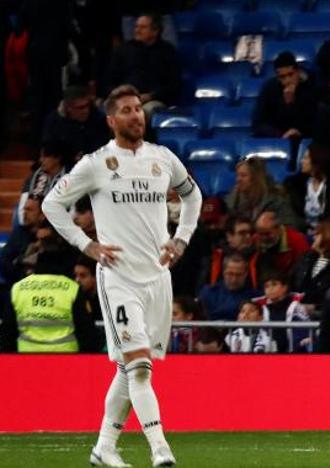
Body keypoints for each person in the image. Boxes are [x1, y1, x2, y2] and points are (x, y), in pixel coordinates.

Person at [41, 84, 202, 466]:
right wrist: (87, 245)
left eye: (139, 109)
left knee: (127, 369)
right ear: (112, 120)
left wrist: (180, 239)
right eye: (127, 110)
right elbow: (52, 204)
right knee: (140, 368)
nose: (136, 115)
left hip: (158, 278)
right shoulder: (96, 163)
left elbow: (193, 196)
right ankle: (160, 450)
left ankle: (105, 448)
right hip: (119, 278)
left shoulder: (163, 158)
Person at [0, 251, 103, 353]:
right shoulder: (72, 288)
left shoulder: (18, 289)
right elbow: (86, 332)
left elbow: (8, 332)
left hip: (26, 358)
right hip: (67, 359)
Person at [106, 14, 181, 113]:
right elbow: (110, 79)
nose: (137, 30)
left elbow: (173, 84)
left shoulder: (167, 51)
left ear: (155, 31)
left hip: (152, 100)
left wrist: (151, 96)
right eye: (136, 26)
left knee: (145, 112)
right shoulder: (124, 49)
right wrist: (120, 94)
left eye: (143, 27)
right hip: (124, 98)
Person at [283, 141, 330, 232]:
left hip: (329, 234)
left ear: (317, 161)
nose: (302, 161)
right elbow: (290, 215)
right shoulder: (294, 184)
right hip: (301, 233)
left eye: (306, 158)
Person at [252, 52, 317, 140]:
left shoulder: (312, 85)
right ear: (277, 77)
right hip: (279, 139)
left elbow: (316, 119)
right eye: (282, 77)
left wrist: (300, 131)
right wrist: (281, 134)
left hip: (306, 137)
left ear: (298, 71)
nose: (287, 80)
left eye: (290, 74)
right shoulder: (269, 88)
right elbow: (258, 123)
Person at [225, 157, 303, 229]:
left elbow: (291, 225)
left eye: (243, 175)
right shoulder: (234, 196)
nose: (238, 179)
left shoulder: (275, 199)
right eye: (237, 175)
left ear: (256, 178)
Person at [291, 218, 330, 314]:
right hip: (299, 312)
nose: (313, 237)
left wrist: (316, 307)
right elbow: (293, 282)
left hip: (325, 314)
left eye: (317, 234)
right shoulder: (306, 259)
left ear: (329, 235)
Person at [41, 85, 111, 159]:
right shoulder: (54, 122)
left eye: (87, 105)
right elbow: (49, 150)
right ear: (69, 108)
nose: (86, 111)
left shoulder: (99, 118)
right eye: (81, 108)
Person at [255, 272, 311, 353]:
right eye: (266, 286)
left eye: (274, 284)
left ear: (284, 287)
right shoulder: (263, 309)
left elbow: (303, 335)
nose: (270, 289)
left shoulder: (296, 308)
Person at [254, 210, 311, 285]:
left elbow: (304, 270)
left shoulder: (297, 242)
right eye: (260, 233)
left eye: (267, 234)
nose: (263, 238)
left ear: (278, 228)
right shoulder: (255, 239)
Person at [198, 254, 260, 322]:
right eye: (230, 274)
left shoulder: (255, 297)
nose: (234, 279)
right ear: (223, 272)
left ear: (246, 274)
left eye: (238, 275)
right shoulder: (208, 292)